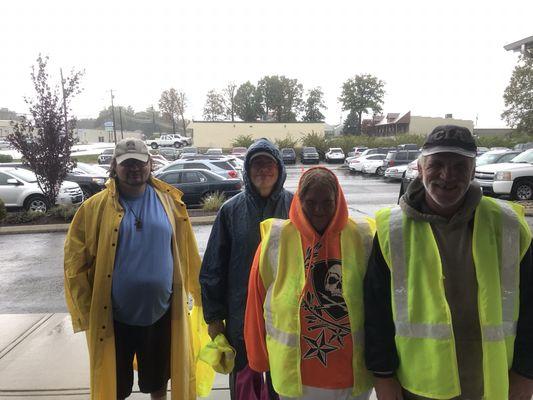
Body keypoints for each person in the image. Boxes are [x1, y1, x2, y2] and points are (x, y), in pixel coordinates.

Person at [364, 125, 533, 400]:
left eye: (459, 165)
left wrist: (526, 374)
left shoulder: (508, 225)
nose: (447, 175)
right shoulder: (391, 229)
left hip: (491, 383)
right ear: (420, 168)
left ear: (473, 169)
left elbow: (530, 307)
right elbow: (376, 313)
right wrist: (383, 377)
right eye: (437, 164)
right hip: (419, 387)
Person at [64, 138, 202, 400]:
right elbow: (74, 263)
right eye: (126, 163)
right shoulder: (94, 208)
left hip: (161, 314)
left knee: (159, 384)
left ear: (150, 164)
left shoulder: (170, 203)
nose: (134, 169)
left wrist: (199, 293)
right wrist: (84, 313)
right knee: (114, 388)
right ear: (114, 167)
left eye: (140, 163)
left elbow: (188, 253)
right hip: (113, 319)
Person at [245, 167, 375, 400]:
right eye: (311, 202)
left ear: (339, 200)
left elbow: (381, 302)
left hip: (351, 374)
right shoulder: (276, 239)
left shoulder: (363, 235)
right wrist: (257, 357)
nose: (319, 210)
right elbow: (256, 300)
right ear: (298, 200)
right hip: (295, 376)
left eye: (327, 202)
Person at [200, 138, 293, 399]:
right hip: (241, 318)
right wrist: (215, 319)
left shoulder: (296, 206)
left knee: (283, 384)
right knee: (244, 386)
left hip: (286, 319)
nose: (263, 170)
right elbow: (212, 269)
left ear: (279, 168)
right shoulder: (230, 211)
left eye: (269, 164)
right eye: (257, 164)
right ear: (247, 170)